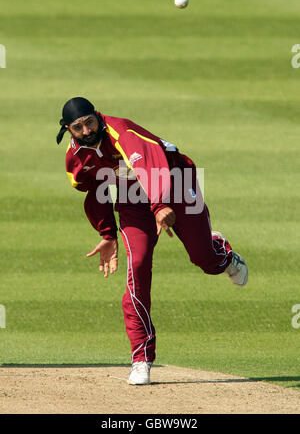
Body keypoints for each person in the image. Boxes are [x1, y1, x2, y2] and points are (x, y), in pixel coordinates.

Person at [56, 97, 248, 385]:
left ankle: (222, 252)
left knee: (204, 259)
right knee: (137, 265)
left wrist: (159, 206)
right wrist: (107, 233)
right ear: (68, 130)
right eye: (78, 127)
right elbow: (95, 189)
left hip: (175, 182)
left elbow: (149, 164)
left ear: (98, 116)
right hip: (133, 200)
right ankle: (141, 357)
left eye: (90, 122)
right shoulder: (77, 156)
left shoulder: (120, 132)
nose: (86, 131)